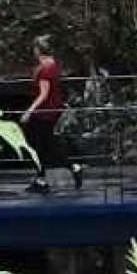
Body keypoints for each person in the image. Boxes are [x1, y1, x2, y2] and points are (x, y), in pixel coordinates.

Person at [20, 35, 84, 194]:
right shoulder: (52, 65)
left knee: (43, 145)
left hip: (45, 112)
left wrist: (29, 111)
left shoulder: (45, 70)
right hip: (51, 109)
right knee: (43, 145)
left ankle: (71, 167)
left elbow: (43, 94)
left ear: (38, 51)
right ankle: (42, 178)